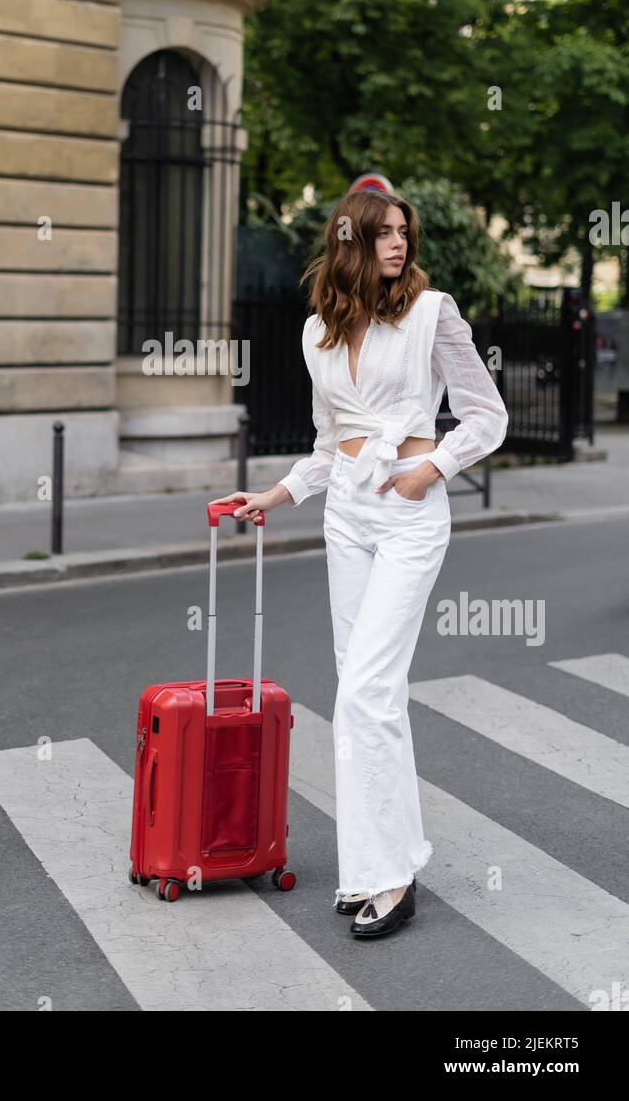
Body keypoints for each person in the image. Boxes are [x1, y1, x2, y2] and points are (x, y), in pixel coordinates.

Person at [210, 188, 508, 939]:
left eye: (405, 233)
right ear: (351, 241)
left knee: (367, 692)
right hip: (345, 514)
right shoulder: (317, 332)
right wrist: (275, 496)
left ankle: (388, 879)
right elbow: (325, 445)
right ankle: (384, 858)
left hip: (408, 514)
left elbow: (487, 415)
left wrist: (430, 469)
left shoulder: (431, 313)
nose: (398, 245)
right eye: (383, 234)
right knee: (366, 692)